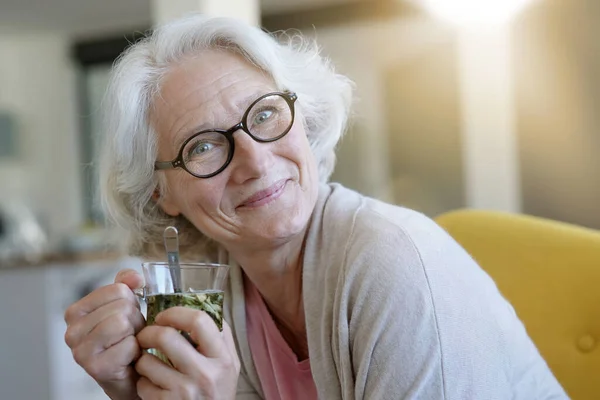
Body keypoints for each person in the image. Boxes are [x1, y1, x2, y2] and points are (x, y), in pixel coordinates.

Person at [63, 14, 568, 400]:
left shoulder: (390, 264)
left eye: (264, 114)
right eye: (203, 146)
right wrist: (133, 388)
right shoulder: (220, 285)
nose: (256, 162)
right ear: (161, 193)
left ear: (303, 119)